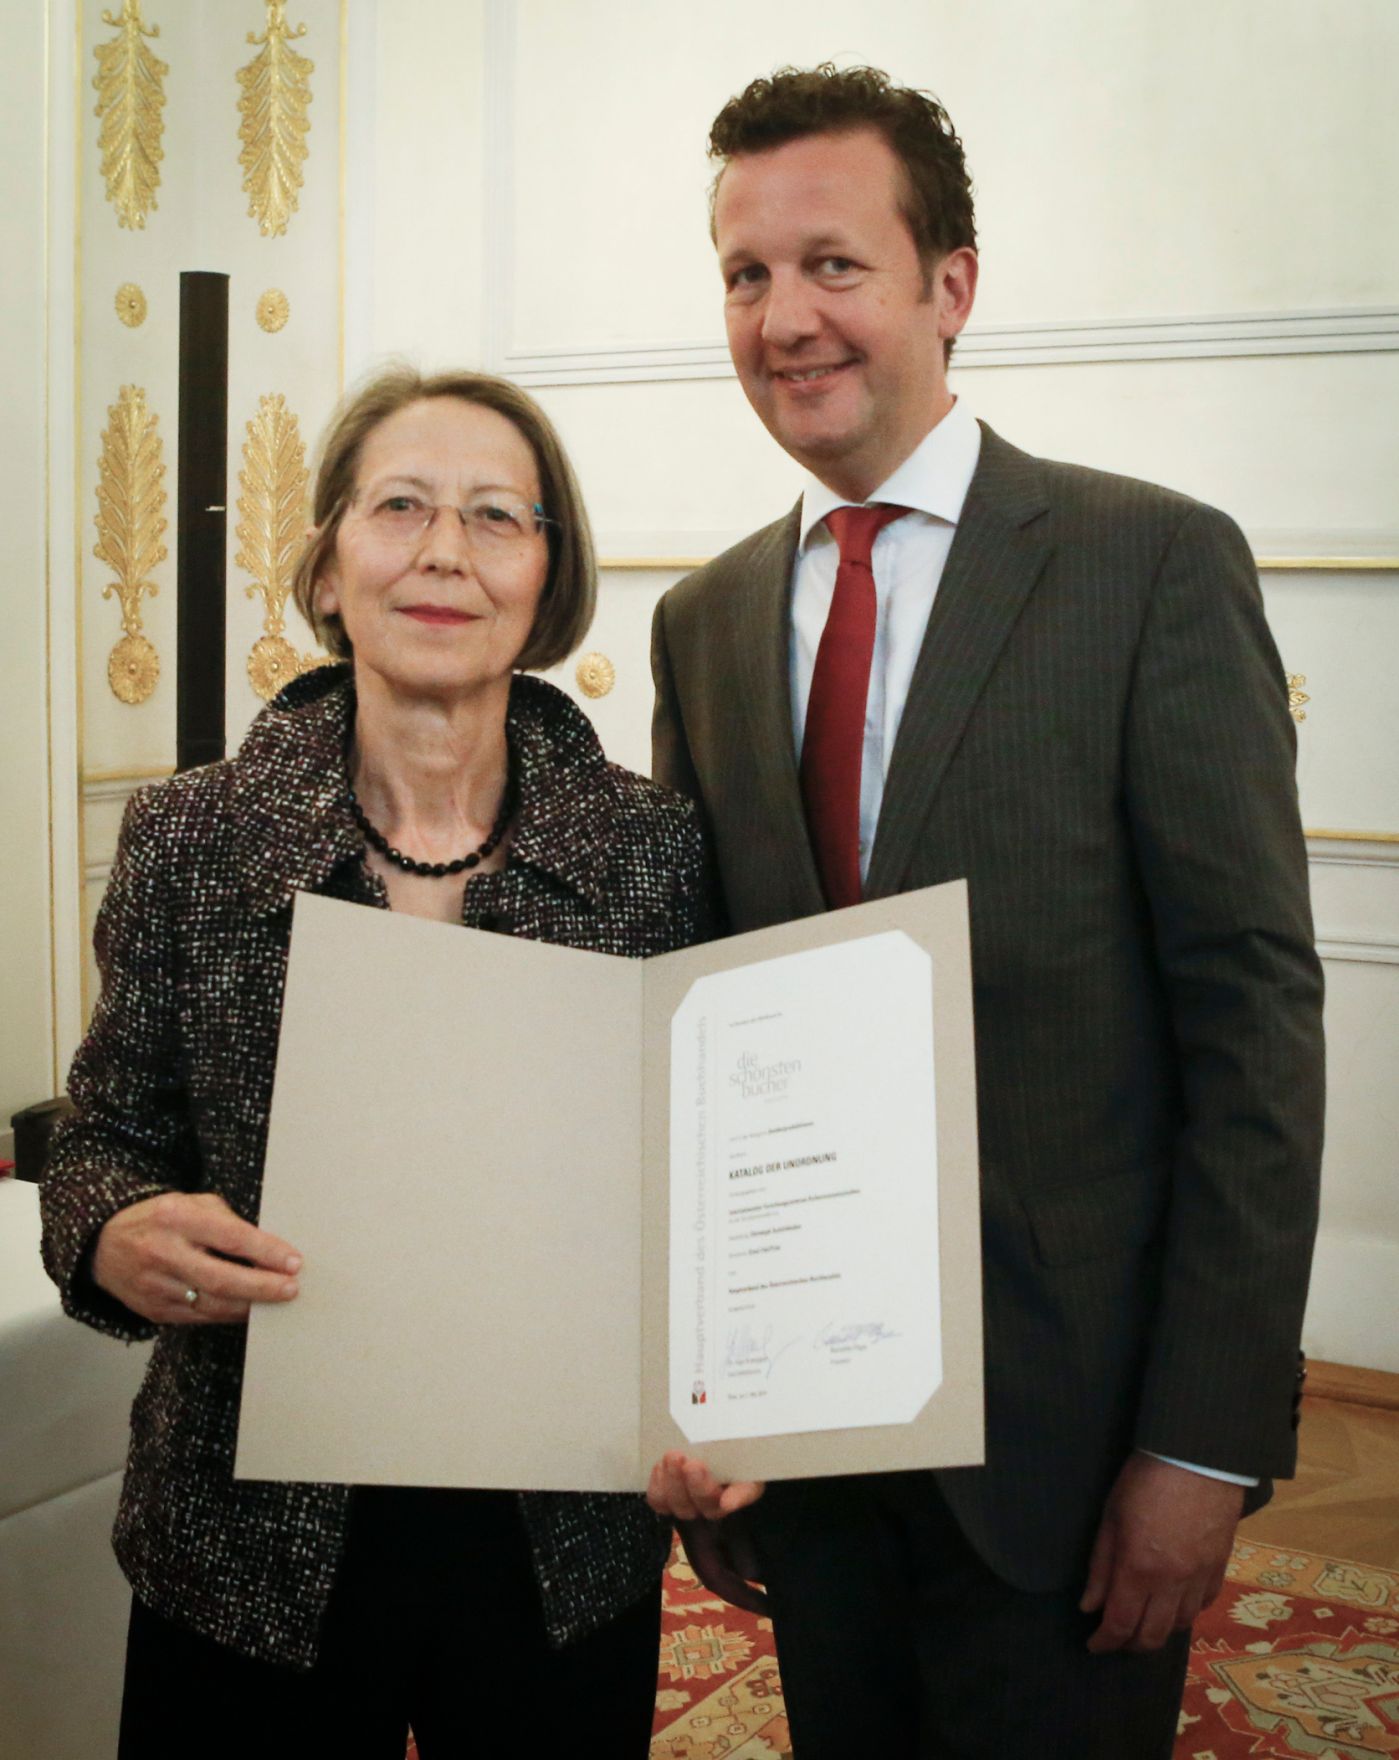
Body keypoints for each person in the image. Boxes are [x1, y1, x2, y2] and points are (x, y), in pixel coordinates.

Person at [646, 64, 1324, 1758]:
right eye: (745, 274)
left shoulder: (1150, 564)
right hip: (807, 1454)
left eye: (834, 264)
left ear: (951, 285)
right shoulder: (703, 623)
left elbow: (1252, 1025)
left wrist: (1204, 1441)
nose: (784, 318)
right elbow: (698, 1044)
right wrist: (699, 1402)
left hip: (1074, 1449)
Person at [41, 366, 710, 1757]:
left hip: (558, 1533)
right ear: (330, 563)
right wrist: (111, 1231)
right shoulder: (191, 838)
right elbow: (100, 1139)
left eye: (496, 515)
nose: (444, 553)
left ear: (548, 573)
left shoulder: (655, 852)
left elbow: (703, 1190)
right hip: (249, 1536)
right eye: (400, 506)